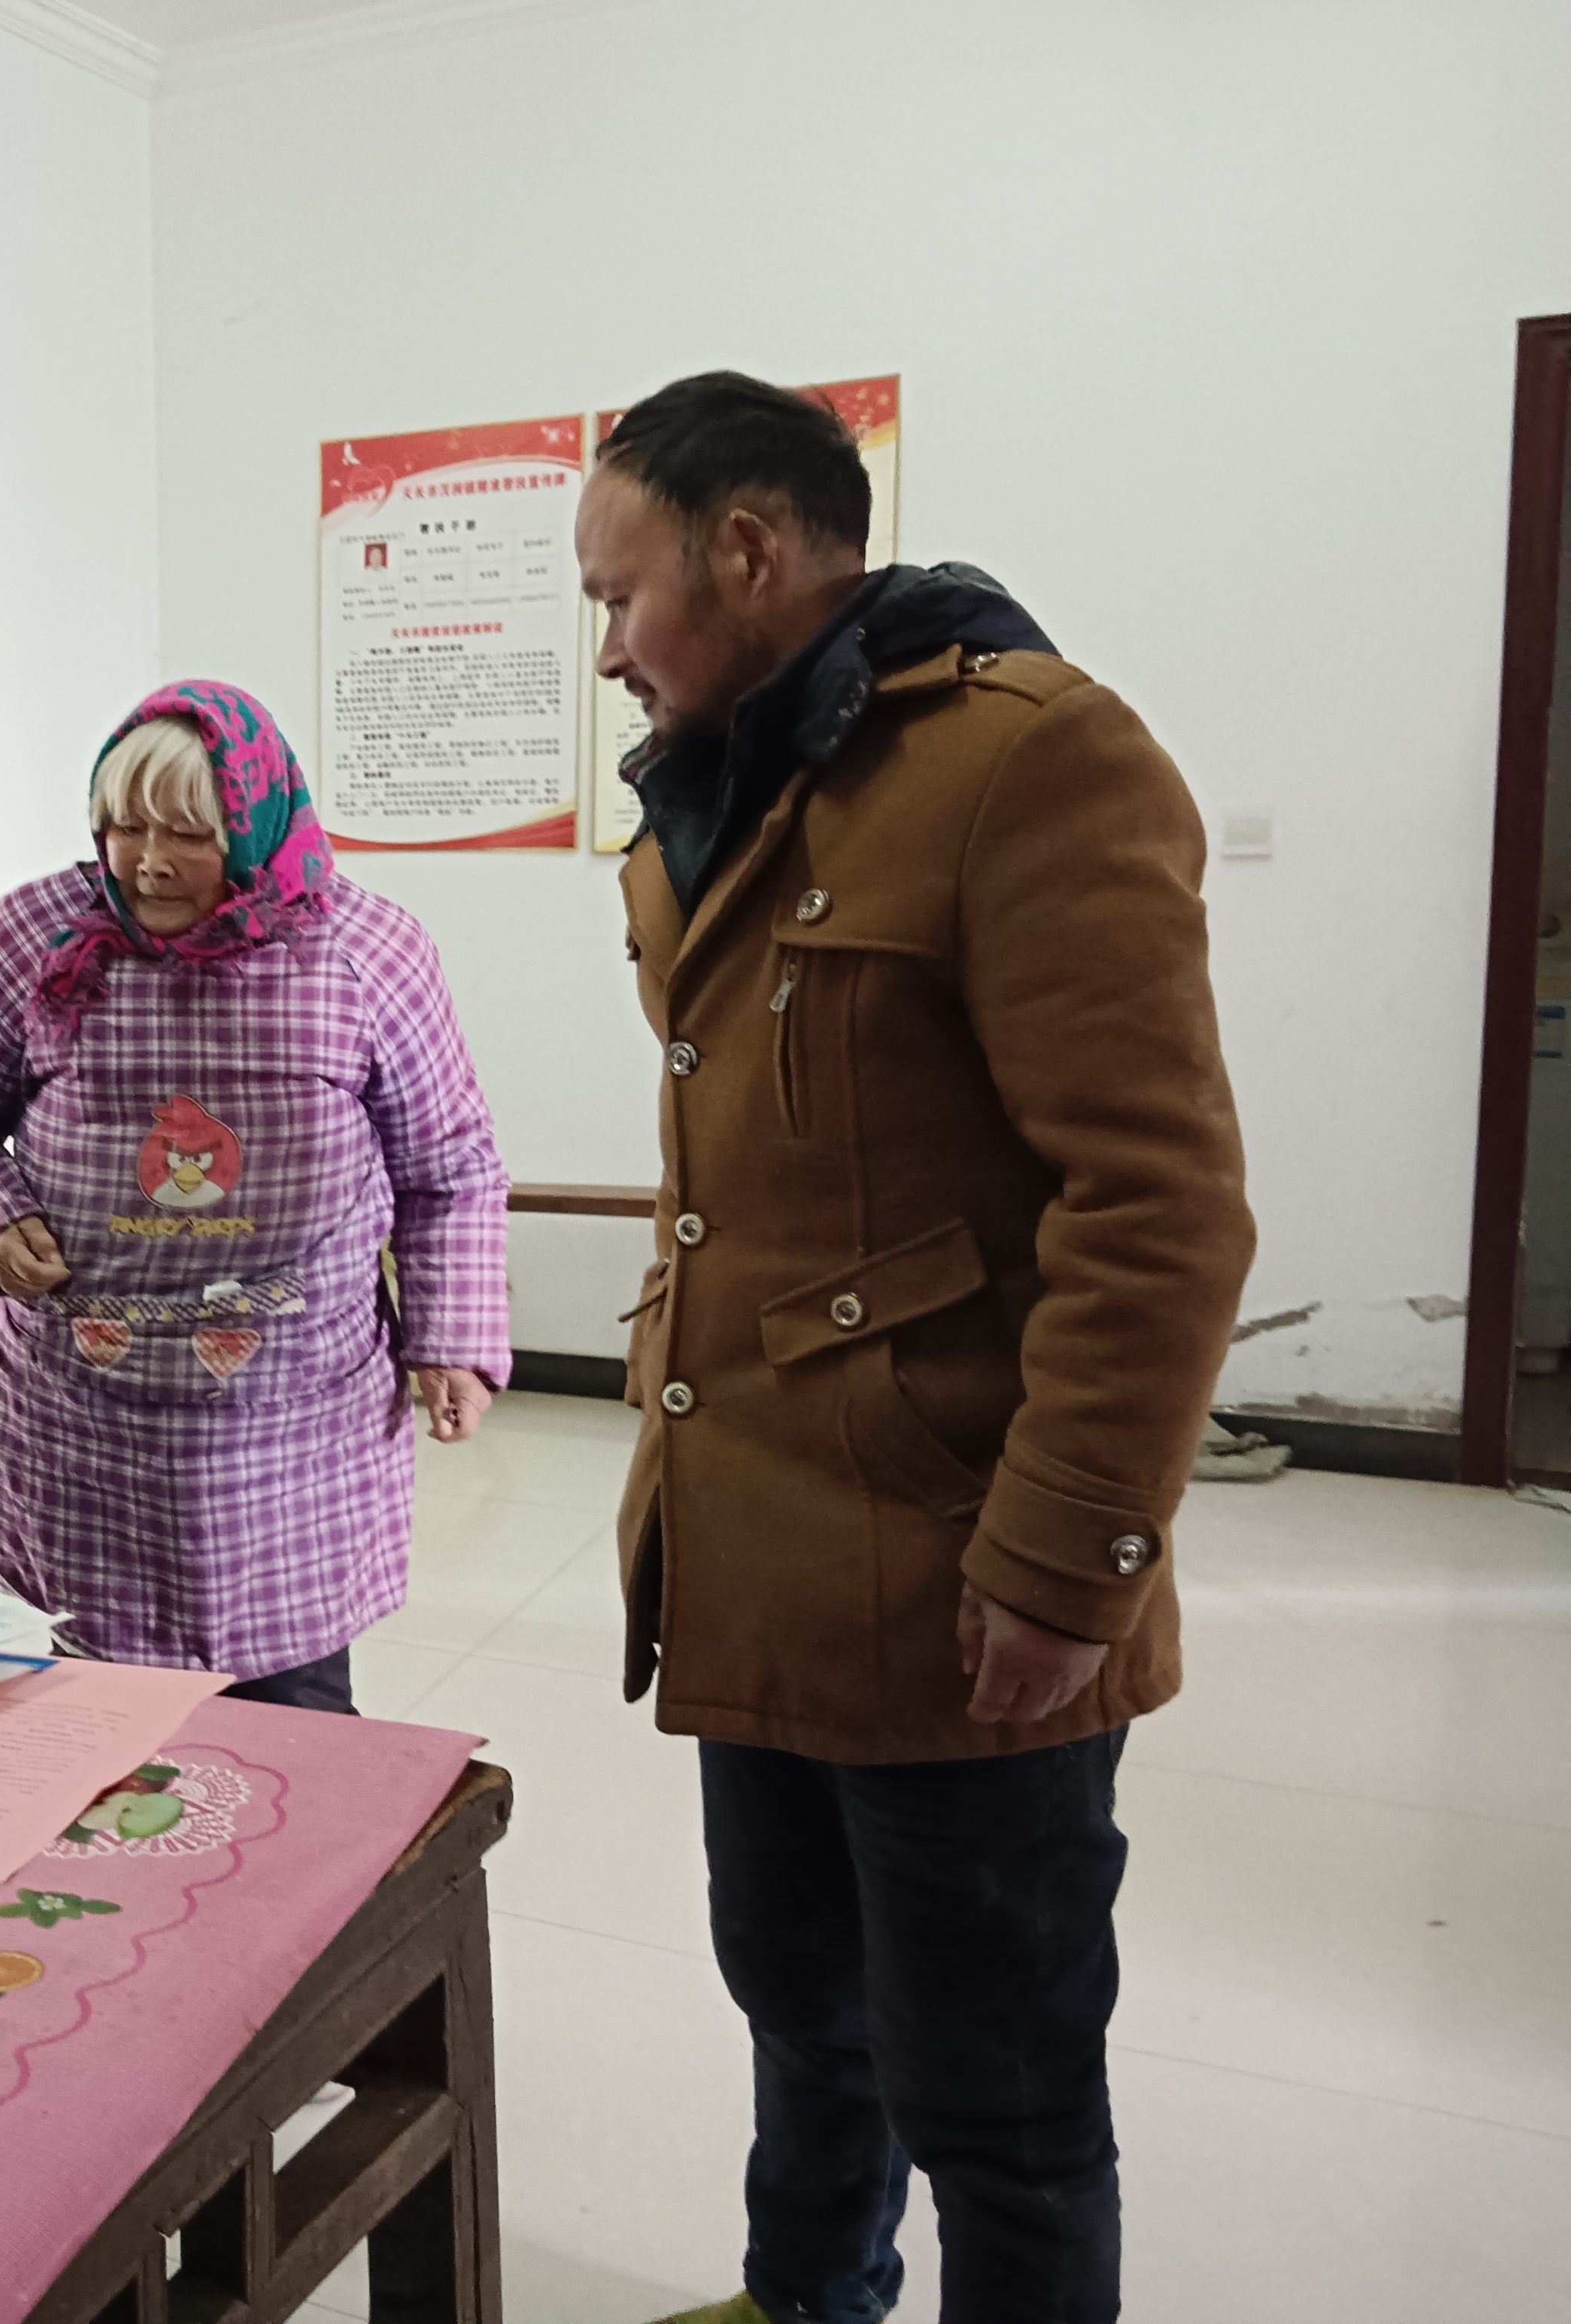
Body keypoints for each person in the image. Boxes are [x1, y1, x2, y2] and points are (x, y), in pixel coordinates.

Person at [575, 374, 1251, 2324]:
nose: (605, 651)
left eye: (617, 597)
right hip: (755, 1539)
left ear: (744, 550)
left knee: (999, 2096)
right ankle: (806, 2297)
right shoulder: (713, 786)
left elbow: (1159, 1206)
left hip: (961, 1564)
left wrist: (1062, 1564)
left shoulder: (1026, 760)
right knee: (801, 2001)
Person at [0, 681, 510, 1712]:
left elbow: (448, 1167)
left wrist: (453, 1340)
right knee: (104, 1725)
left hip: (291, 1409)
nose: (147, 863)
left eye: (187, 834)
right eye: (123, 828)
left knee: (293, 1717)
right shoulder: (38, 935)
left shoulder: (364, 952)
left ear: (256, 827)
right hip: (87, 1408)